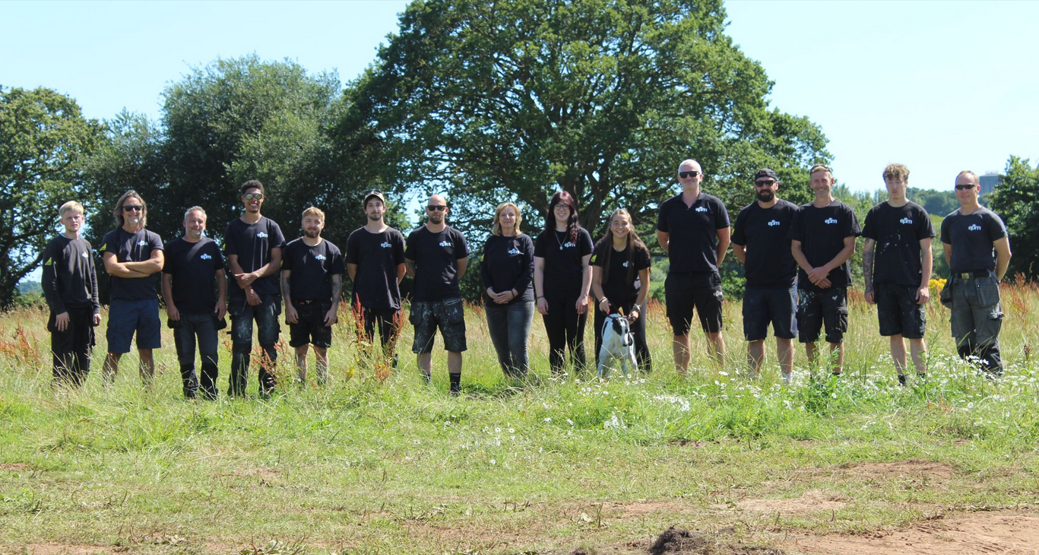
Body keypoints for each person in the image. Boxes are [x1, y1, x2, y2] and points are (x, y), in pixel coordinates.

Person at [862, 164, 934, 385]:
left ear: (906, 183)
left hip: (911, 283)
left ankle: (923, 381)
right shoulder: (876, 213)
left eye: (898, 181)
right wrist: (868, 285)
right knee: (894, 334)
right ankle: (902, 380)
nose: (893, 186)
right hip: (884, 284)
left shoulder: (917, 213)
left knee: (915, 335)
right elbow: (867, 250)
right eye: (889, 182)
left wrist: (924, 285)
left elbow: (927, 251)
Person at [656, 159, 730, 372]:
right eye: (684, 174)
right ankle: (681, 377)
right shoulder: (668, 207)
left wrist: (715, 263)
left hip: (707, 276)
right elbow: (663, 239)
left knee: (713, 331)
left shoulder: (714, 204)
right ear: (678, 178)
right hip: (678, 277)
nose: (689, 178)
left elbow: (725, 240)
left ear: (701, 176)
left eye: (693, 173)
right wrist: (678, 254)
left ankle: (720, 377)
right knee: (680, 332)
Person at [789, 164, 860, 376]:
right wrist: (812, 272)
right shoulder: (802, 213)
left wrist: (825, 270)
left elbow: (850, 248)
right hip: (807, 283)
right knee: (809, 334)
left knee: (835, 334)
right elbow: (795, 248)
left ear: (832, 182)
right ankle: (815, 377)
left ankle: (835, 378)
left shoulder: (844, 212)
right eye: (816, 181)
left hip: (835, 283)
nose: (820, 184)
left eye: (824, 180)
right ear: (811, 184)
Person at [940, 170, 1012, 377]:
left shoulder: (989, 219)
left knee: (987, 339)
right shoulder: (949, 221)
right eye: (959, 187)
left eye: (968, 186)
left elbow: (1005, 254)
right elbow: (949, 255)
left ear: (977, 189)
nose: (964, 191)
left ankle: (992, 385)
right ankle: (972, 383)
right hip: (958, 286)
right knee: (963, 341)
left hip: (985, 284)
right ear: (955, 190)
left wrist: (994, 280)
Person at [731, 169, 799, 383]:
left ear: (776, 185)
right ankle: (753, 381)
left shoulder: (791, 212)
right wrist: (752, 264)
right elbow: (738, 247)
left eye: (769, 182)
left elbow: (801, 245)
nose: (764, 187)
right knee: (754, 337)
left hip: (784, 285)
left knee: (785, 336)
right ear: (755, 186)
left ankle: (787, 381)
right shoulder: (746, 214)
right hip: (755, 286)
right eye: (760, 183)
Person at [224, 180, 286, 397]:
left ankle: (267, 391)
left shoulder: (271, 227)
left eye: (258, 196)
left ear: (263, 199)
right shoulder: (234, 227)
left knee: (269, 343)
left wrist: (255, 275)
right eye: (249, 196)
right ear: (243, 199)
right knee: (241, 344)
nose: (254, 200)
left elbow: (276, 261)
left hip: (268, 295)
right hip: (241, 296)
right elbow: (232, 262)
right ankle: (237, 393)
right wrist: (248, 288)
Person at [405, 194, 469, 394]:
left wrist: (447, 281)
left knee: (455, 345)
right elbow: (409, 265)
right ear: (426, 210)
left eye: (440, 208)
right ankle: (426, 389)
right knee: (423, 347)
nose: (436, 211)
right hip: (422, 299)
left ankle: (455, 389)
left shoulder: (456, 236)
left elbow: (461, 267)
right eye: (432, 207)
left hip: (450, 299)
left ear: (446, 210)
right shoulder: (416, 236)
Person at [161, 206, 227, 399]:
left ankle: (209, 392)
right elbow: (165, 279)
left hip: (208, 312)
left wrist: (222, 300)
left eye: (200, 221)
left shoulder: (211, 246)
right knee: (186, 356)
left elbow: (221, 276)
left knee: (210, 355)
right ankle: (190, 393)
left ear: (204, 224)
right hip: (181, 313)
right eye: (192, 221)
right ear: (184, 223)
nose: (196, 224)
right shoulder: (173, 247)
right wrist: (170, 306)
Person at [100, 190, 164, 386]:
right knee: (115, 351)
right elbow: (111, 267)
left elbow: (158, 265)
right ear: (121, 212)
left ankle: (148, 395)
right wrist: (144, 270)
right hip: (122, 303)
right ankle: (106, 393)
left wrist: (125, 265)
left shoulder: (153, 237)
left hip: (148, 302)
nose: (133, 211)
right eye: (129, 208)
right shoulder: (111, 238)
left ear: (143, 211)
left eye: (138, 207)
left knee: (146, 350)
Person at [281, 207, 346, 386]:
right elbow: (284, 278)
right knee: (300, 349)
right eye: (308, 221)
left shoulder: (331, 250)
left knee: (321, 350)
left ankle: (322, 387)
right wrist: (288, 306)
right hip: (297, 306)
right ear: (302, 223)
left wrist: (334, 310)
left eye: (316, 222)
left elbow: (337, 283)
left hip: (323, 308)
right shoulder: (291, 248)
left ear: (322, 225)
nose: (312, 225)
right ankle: (301, 386)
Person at [41, 201, 101, 387]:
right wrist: (59, 309)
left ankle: (76, 398)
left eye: (77, 217)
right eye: (69, 218)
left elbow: (92, 277)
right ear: (62, 221)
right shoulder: (55, 245)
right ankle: (59, 397)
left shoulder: (86, 245)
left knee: (84, 358)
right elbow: (48, 281)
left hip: (85, 311)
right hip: (64, 313)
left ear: (83, 219)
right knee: (63, 359)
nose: (73, 220)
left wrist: (96, 307)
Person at [534, 191, 593, 375]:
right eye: (558, 206)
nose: (561, 209)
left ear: (571, 209)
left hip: (576, 297)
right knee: (556, 343)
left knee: (576, 343)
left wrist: (584, 296)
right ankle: (557, 381)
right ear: (552, 210)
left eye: (565, 206)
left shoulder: (582, 235)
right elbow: (538, 268)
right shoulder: (543, 237)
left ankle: (580, 382)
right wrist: (540, 297)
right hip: (551, 297)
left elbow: (588, 267)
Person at [346, 190, 406, 363]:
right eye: (370, 205)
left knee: (390, 346)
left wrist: (389, 286)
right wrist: (364, 287)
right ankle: (365, 383)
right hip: (363, 300)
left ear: (384, 208)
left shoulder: (395, 236)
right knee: (364, 346)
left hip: (389, 300)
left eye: (378, 205)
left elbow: (401, 269)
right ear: (365, 210)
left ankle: (390, 381)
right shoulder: (356, 237)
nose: (374, 209)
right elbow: (352, 269)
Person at [591, 209, 652, 373]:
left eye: (624, 223)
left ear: (630, 226)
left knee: (637, 336)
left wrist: (637, 308)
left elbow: (645, 283)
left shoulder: (639, 250)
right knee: (602, 336)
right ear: (610, 226)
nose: (620, 227)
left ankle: (645, 375)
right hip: (607, 297)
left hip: (633, 297)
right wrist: (602, 300)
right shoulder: (601, 248)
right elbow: (595, 282)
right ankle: (602, 376)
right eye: (616, 223)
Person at [480, 202, 535, 379]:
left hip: (520, 300)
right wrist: (489, 291)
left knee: (517, 344)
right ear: (498, 219)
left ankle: (521, 384)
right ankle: (509, 381)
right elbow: (483, 270)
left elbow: (530, 270)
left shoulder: (524, 240)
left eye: (511, 214)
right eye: (504, 215)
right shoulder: (491, 242)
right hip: (494, 301)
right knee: (501, 346)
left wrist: (513, 292)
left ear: (517, 218)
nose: (507, 218)